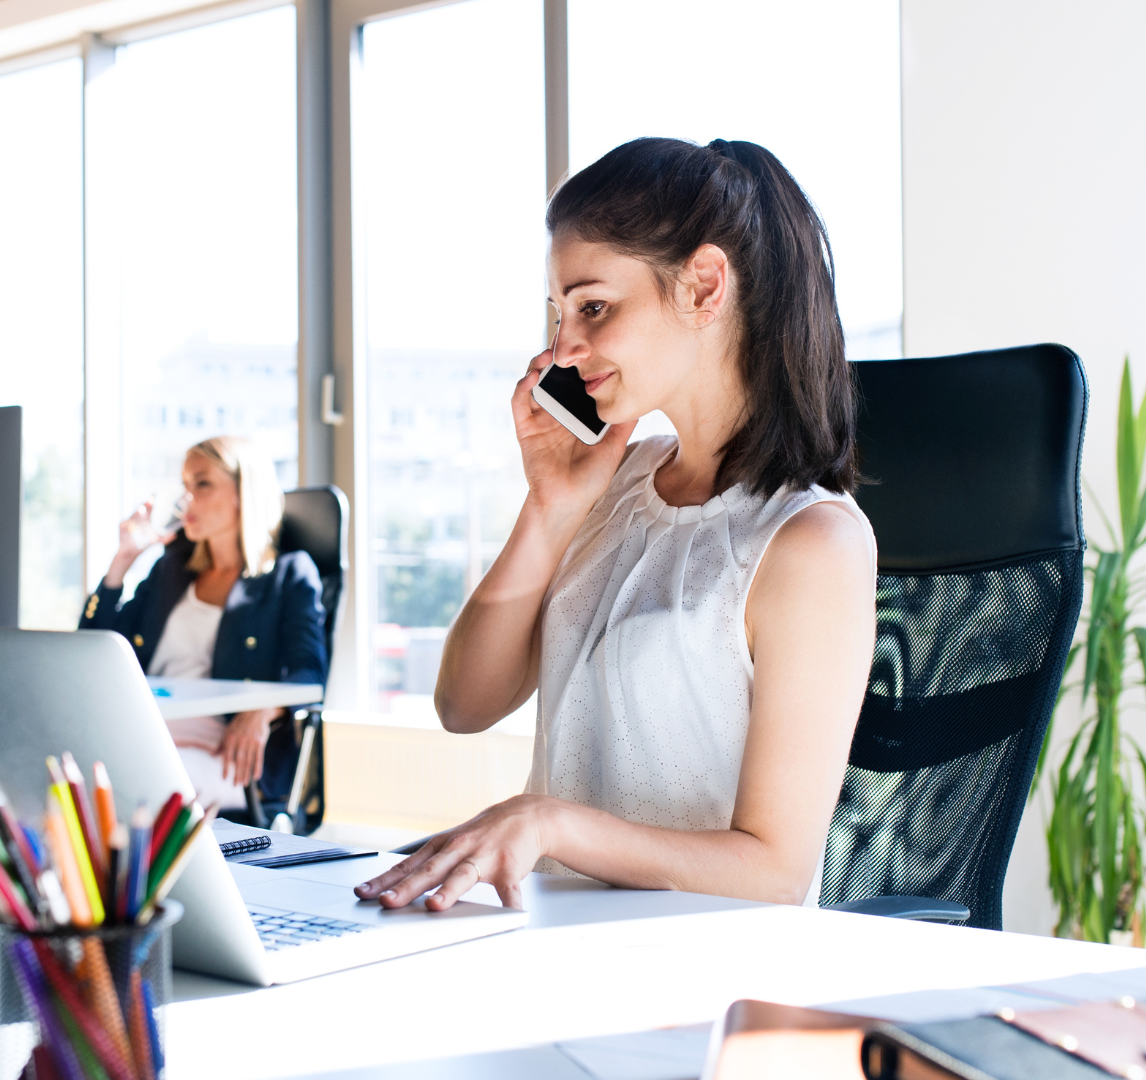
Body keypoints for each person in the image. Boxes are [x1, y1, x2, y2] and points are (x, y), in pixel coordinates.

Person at [356, 138, 876, 911]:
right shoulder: (617, 479)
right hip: (552, 938)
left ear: (703, 287)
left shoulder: (811, 543)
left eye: (593, 307)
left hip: (691, 978)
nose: (564, 348)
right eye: (560, 314)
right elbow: (464, 705)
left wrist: (552, 825)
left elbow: (775, 872)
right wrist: (551, 506)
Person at [80, 436, 326, 811]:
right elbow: (92, 650)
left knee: (129, 786)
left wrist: (263, 709)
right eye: (185, 486)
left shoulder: (289, 575)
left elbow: (309, 674)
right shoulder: (171, 570)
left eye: (202, 484)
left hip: (222, 751)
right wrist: (123, 561)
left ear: (243, 492)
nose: (185, 499)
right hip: (140, 732)